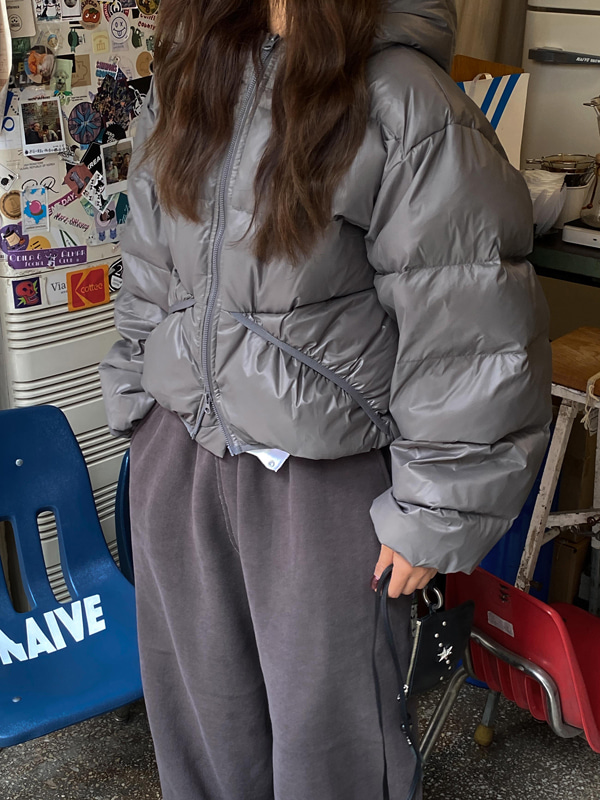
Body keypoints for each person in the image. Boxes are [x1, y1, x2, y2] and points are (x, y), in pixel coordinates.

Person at [99, 1, 552, 799]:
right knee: (201, 733)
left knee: (332, 753)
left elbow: (470, 323)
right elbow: (146, 261)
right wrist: (137, 404)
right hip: (180, 456)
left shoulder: (403, 98)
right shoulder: (190, 74)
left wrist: (436, 509)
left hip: (320, 482)